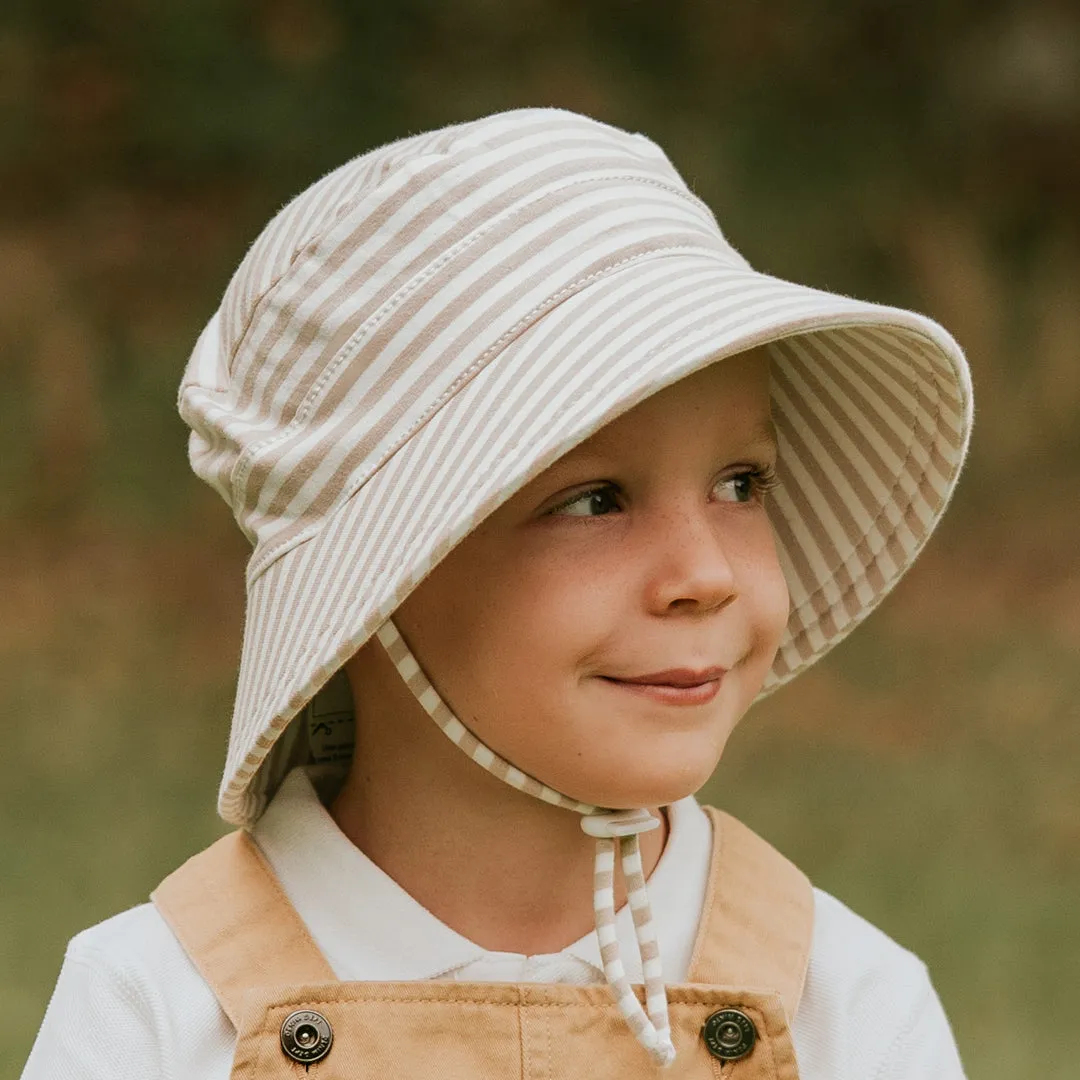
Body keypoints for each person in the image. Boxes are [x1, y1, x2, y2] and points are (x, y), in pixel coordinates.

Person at [21, 108, 972, 1079]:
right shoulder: (159, 1010)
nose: (707, 574)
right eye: (596, 500)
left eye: (741, 484)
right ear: (378, 580)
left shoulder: (842, 1005)